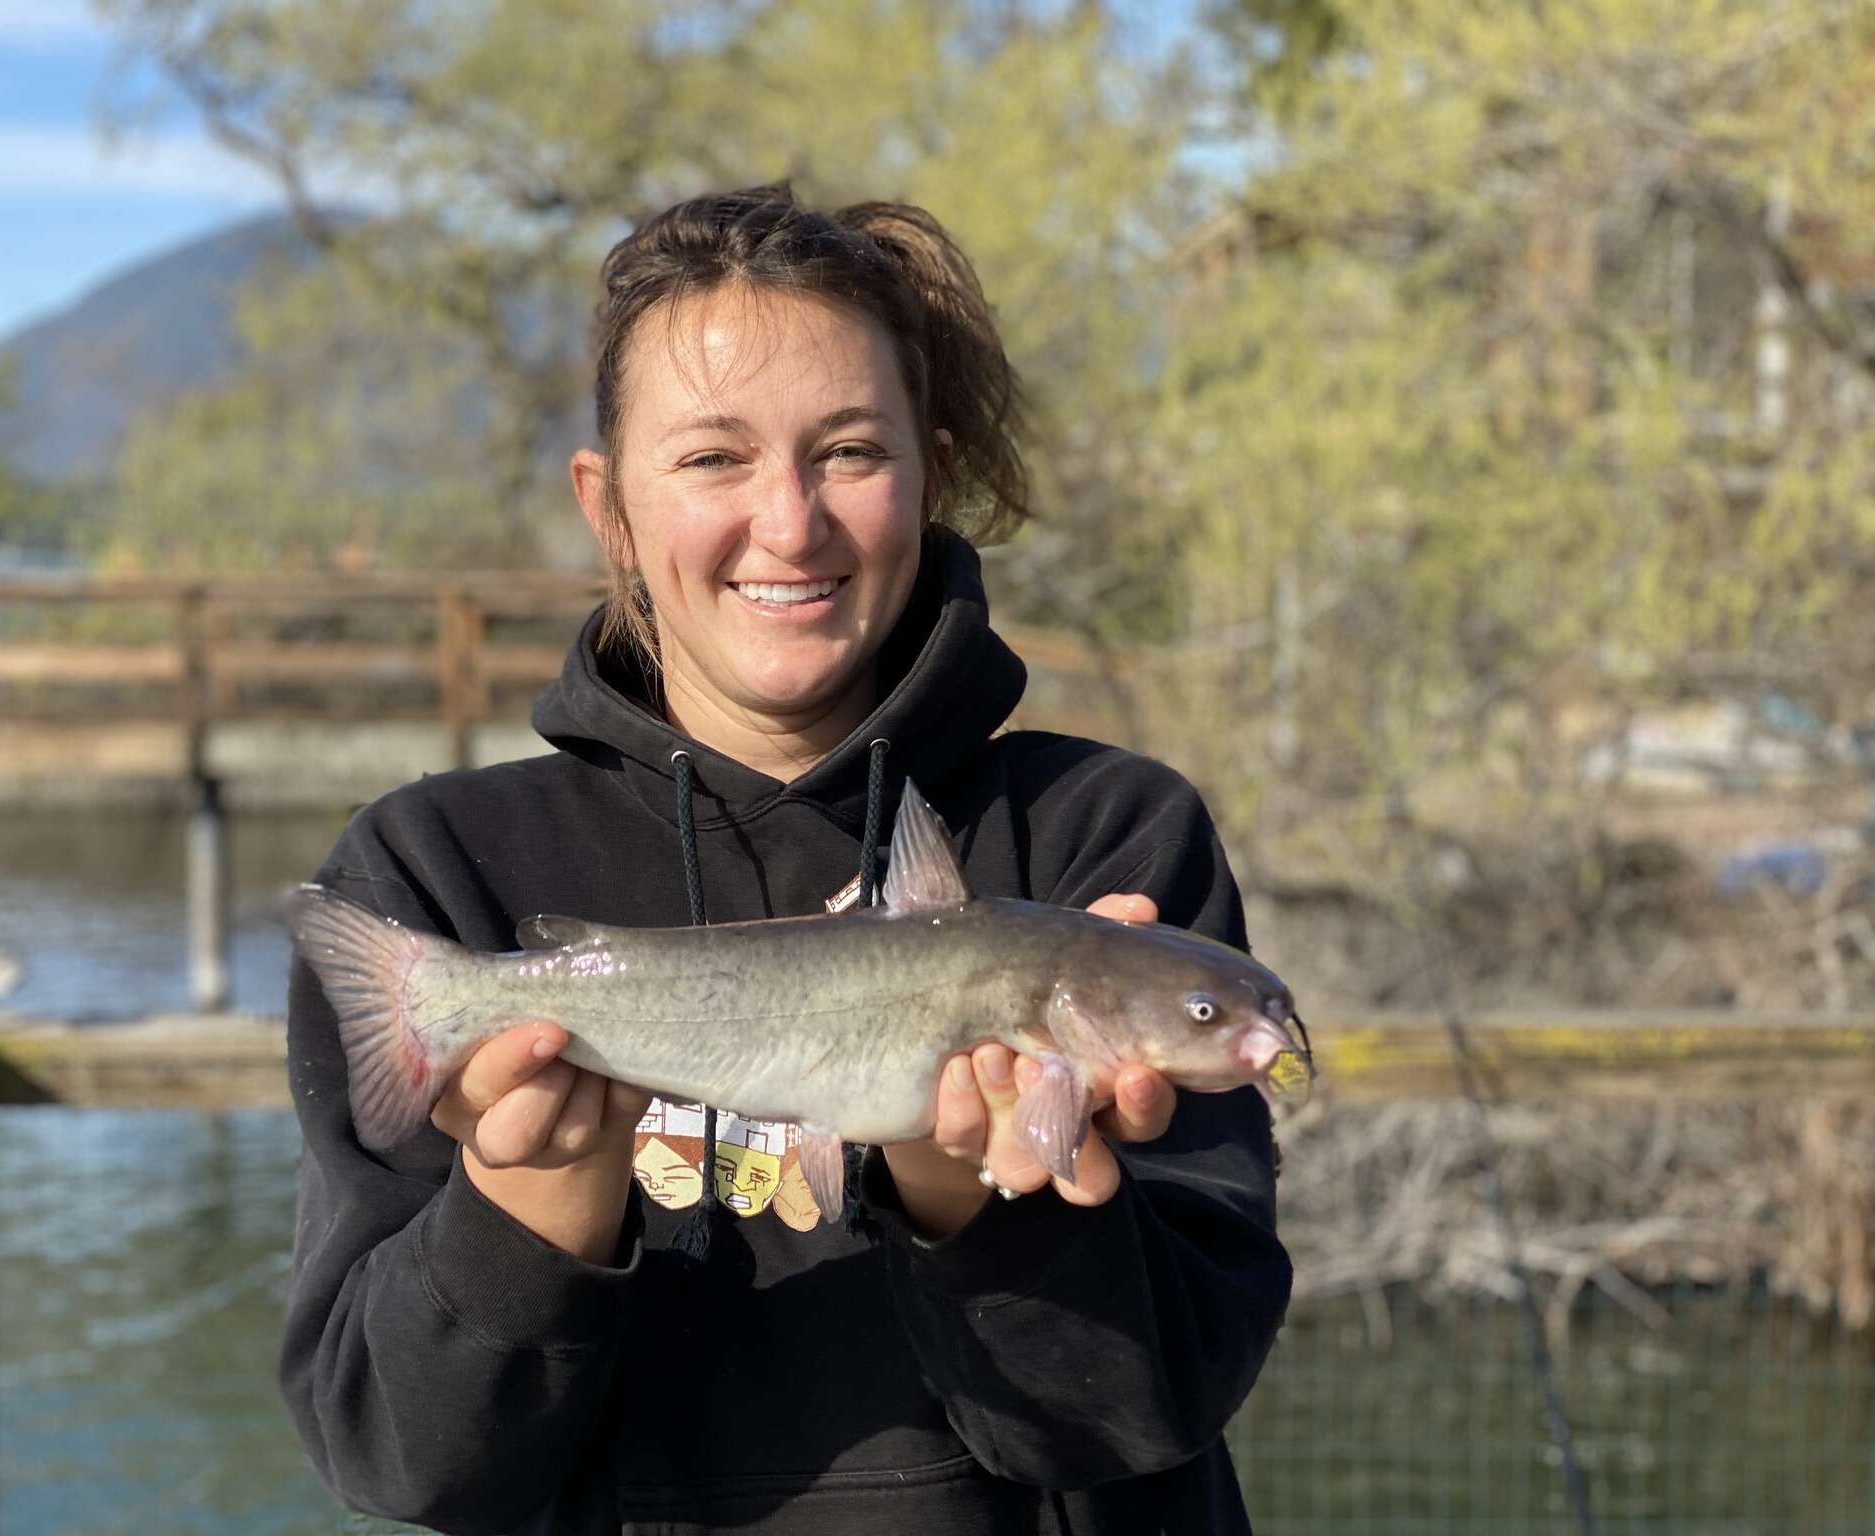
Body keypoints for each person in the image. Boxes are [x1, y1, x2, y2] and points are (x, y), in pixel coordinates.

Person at [280, 183, 1292, 1535]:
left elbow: (1144, 1417)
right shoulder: (436, 870)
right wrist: (524, 1207)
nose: (792, 521)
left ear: (930, 474)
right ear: (611, 507)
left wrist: (976, 1196)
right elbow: (401, 1466)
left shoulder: (1110, 844)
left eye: (851, 451)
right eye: (712, 458)